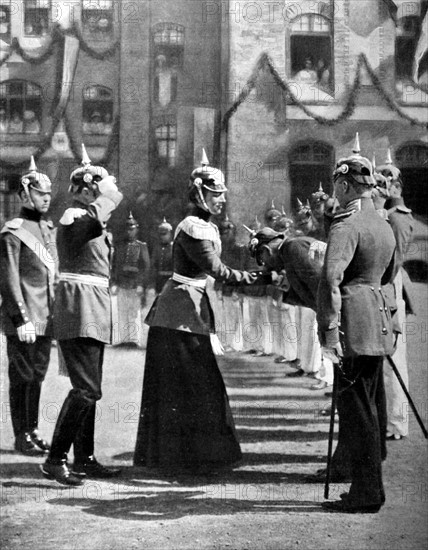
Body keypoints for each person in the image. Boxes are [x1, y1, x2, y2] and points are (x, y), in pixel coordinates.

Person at [133, 149, 266, 473]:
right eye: (214, 194)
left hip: (189, 311)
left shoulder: (203, 225)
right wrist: (264, 276)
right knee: (192, 386)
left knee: (195, 386)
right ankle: (187, 458)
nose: (221, 200)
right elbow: (218, 270)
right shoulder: (193, 227)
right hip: (178, 314)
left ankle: (191, 456)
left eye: (222, 194)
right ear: (199, 194)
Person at [318, 152, 396, 513]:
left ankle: (367, 493)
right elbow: (389, 275)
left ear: (345, 184)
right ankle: (368, 488)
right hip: (377, 321)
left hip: (352, 324)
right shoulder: (382, 223)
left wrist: (330, 333)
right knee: (369, 406)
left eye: (337, 185)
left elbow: (331, 280)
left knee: (356, 412)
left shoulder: (345, 224)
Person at [41, 144, 123, 486]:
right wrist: (109, 196)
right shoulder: (74, 215)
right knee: (86, 389)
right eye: (98, 188)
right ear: (88, 189)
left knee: (90, 387)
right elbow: (88, 225)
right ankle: (55, 459)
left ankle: (84, 457)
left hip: (93, 305)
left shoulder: (94, 220)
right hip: (79, 307)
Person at [0, 157, 55, 455]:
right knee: (21, 376)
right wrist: (21, 319)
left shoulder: (46, 229)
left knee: (37, 375)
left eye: (47, 194)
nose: (45, 198)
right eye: (39, 193)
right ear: (24, 195)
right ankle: (21, 435)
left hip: (44, 318)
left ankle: (32, 430)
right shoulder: (13, 230)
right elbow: (9, 279)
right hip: (24, 318)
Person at [378, 150, 415, 441]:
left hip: (389, 291)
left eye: (387, 180)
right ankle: (386, 419)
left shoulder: (398, 218)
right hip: (381, 291)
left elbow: (394, 262)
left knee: (394, 360)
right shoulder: (383, 214)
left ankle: (398, 422)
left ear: (398, 186)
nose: (381, 184)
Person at [111, 212, 150, 347]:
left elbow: (145, 267)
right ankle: (123, 339)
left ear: (137, 229)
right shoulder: (120, 246)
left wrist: (141, 284)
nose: (130, 232)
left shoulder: (141, 246)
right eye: (128, 229)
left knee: (134, 312)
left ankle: (134, 340)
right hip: (122, 282)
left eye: (132, 229)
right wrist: (114, 282)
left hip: (135, 283)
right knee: (122, 311)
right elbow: (115, 265)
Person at [150, 217, 174, 295]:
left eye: (165, 234)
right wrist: (151, 285)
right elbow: (153, 267)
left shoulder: (174, 248)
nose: (162, 237)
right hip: (159, 282)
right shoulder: (157, 248)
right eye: (161, 234)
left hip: (171, 282)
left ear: (170, 233)